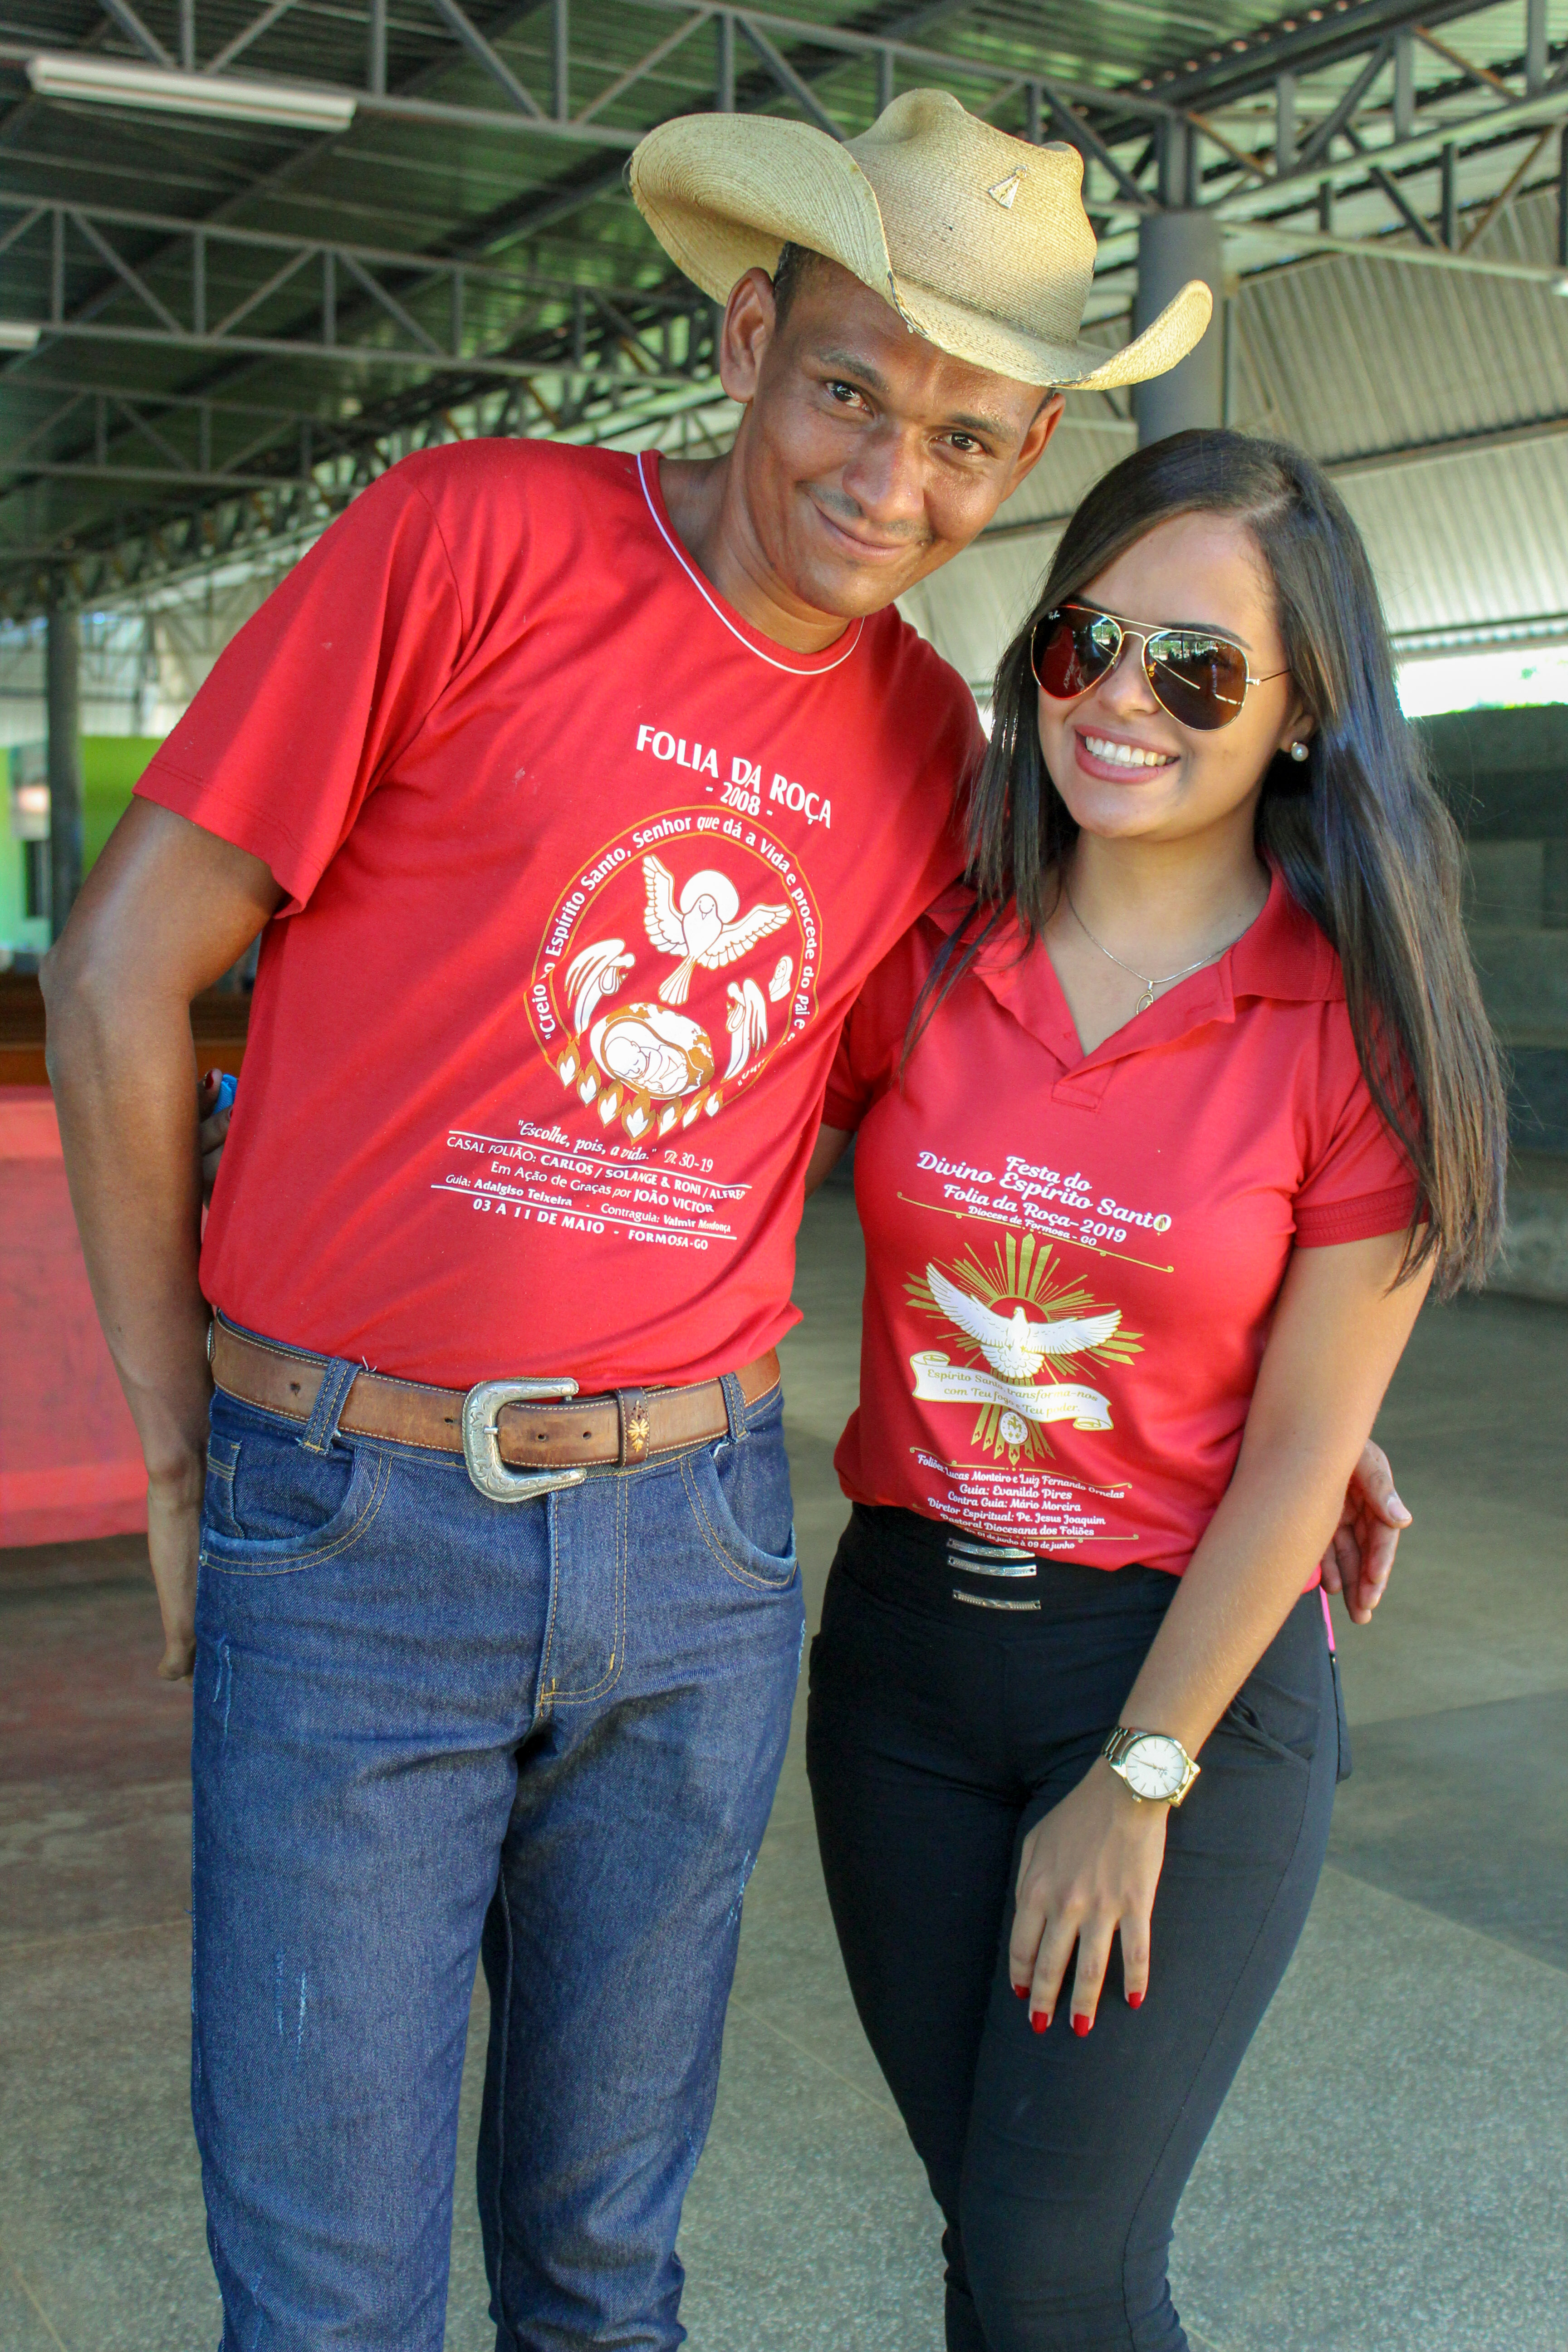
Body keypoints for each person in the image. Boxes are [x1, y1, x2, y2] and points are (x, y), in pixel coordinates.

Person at [44, 83, 1400, 2350]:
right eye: (851, 391)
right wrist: (184, 1450)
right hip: (354, 1515)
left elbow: (1010, 1115)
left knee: (606, 2279)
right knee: (329, 2295)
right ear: (752, 337)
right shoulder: (469, 539)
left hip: (693, 1554)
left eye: (963, 442)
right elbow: (115, 974)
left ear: (1026, 456)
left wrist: (1293, 1388)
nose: (891, 480)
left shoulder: (929, 750)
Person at [803, 430, 1507, 2352]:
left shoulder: (1356, 1024)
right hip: (903, 1667)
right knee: (995, 2240)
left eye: (1196, 669)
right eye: (1084, 641)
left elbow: (1296, 1461)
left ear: (1305, 711)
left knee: (1060, 2267)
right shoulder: (930, 941)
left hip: (1180, 1678)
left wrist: (1138, 1778)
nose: (1120, 700)